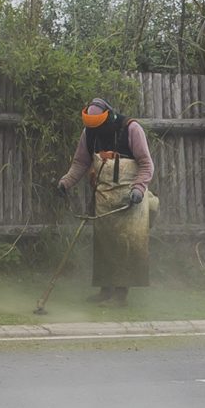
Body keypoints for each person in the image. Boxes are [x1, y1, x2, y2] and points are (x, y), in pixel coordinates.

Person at [57, 98, 156, 307]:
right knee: (104, 245)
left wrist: (139, 189)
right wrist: (65, 182)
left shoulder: (131, 129)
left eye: (99, 126)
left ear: (108, 118)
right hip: (104, 196)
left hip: (130, 198)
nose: (96, 131)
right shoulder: (88, 133)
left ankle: (120, 296)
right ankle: (105, 291)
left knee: (124, 246)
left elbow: (146, 164)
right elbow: (81, 162)